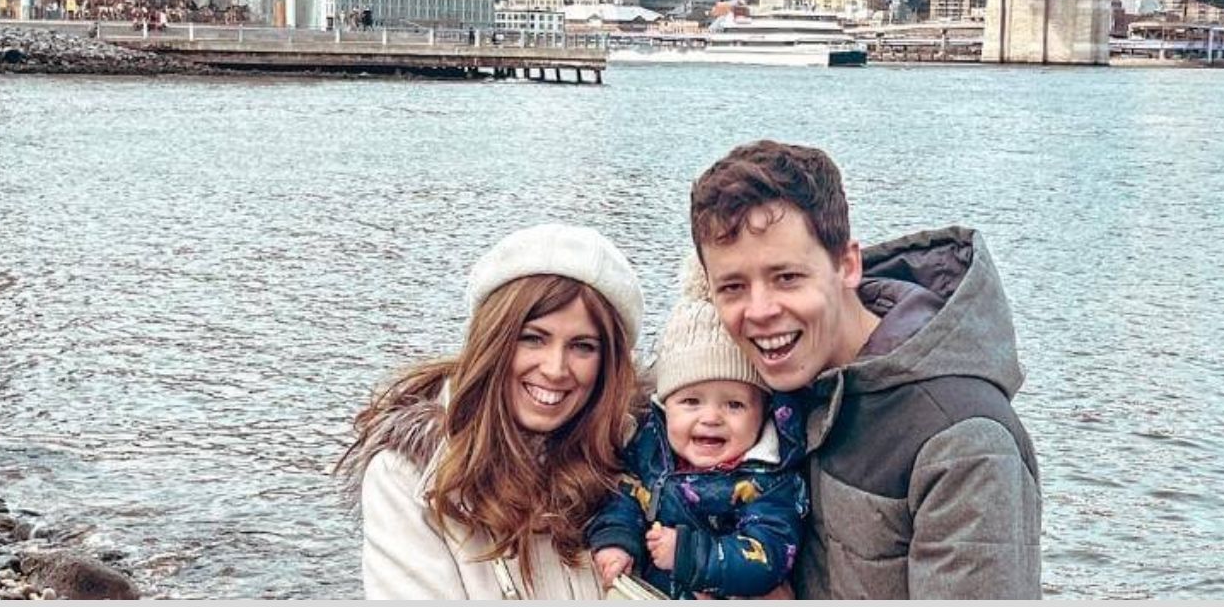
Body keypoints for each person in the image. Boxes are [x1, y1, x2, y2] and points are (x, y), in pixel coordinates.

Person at [689, 140, 1041, 599]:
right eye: (732, 286)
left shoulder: (963, 443)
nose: (759, 311)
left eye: (787, 278)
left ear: (847, 264)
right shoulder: (771, 384)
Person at [341, 224, 643, 599]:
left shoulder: (640, 460)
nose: (555, 369)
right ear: (494, 341)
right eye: (533, 338)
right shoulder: (409, 478)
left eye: (582, 346)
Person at [587, 260, 807, 599]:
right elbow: (623, 497)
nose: (711, 417)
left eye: (734, 405)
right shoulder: (650, 449)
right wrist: (616, 540)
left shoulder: (768, 480)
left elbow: (770, 555)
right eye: (691, 401)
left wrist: (690, 555)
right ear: (665, 406)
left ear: (762, 413)